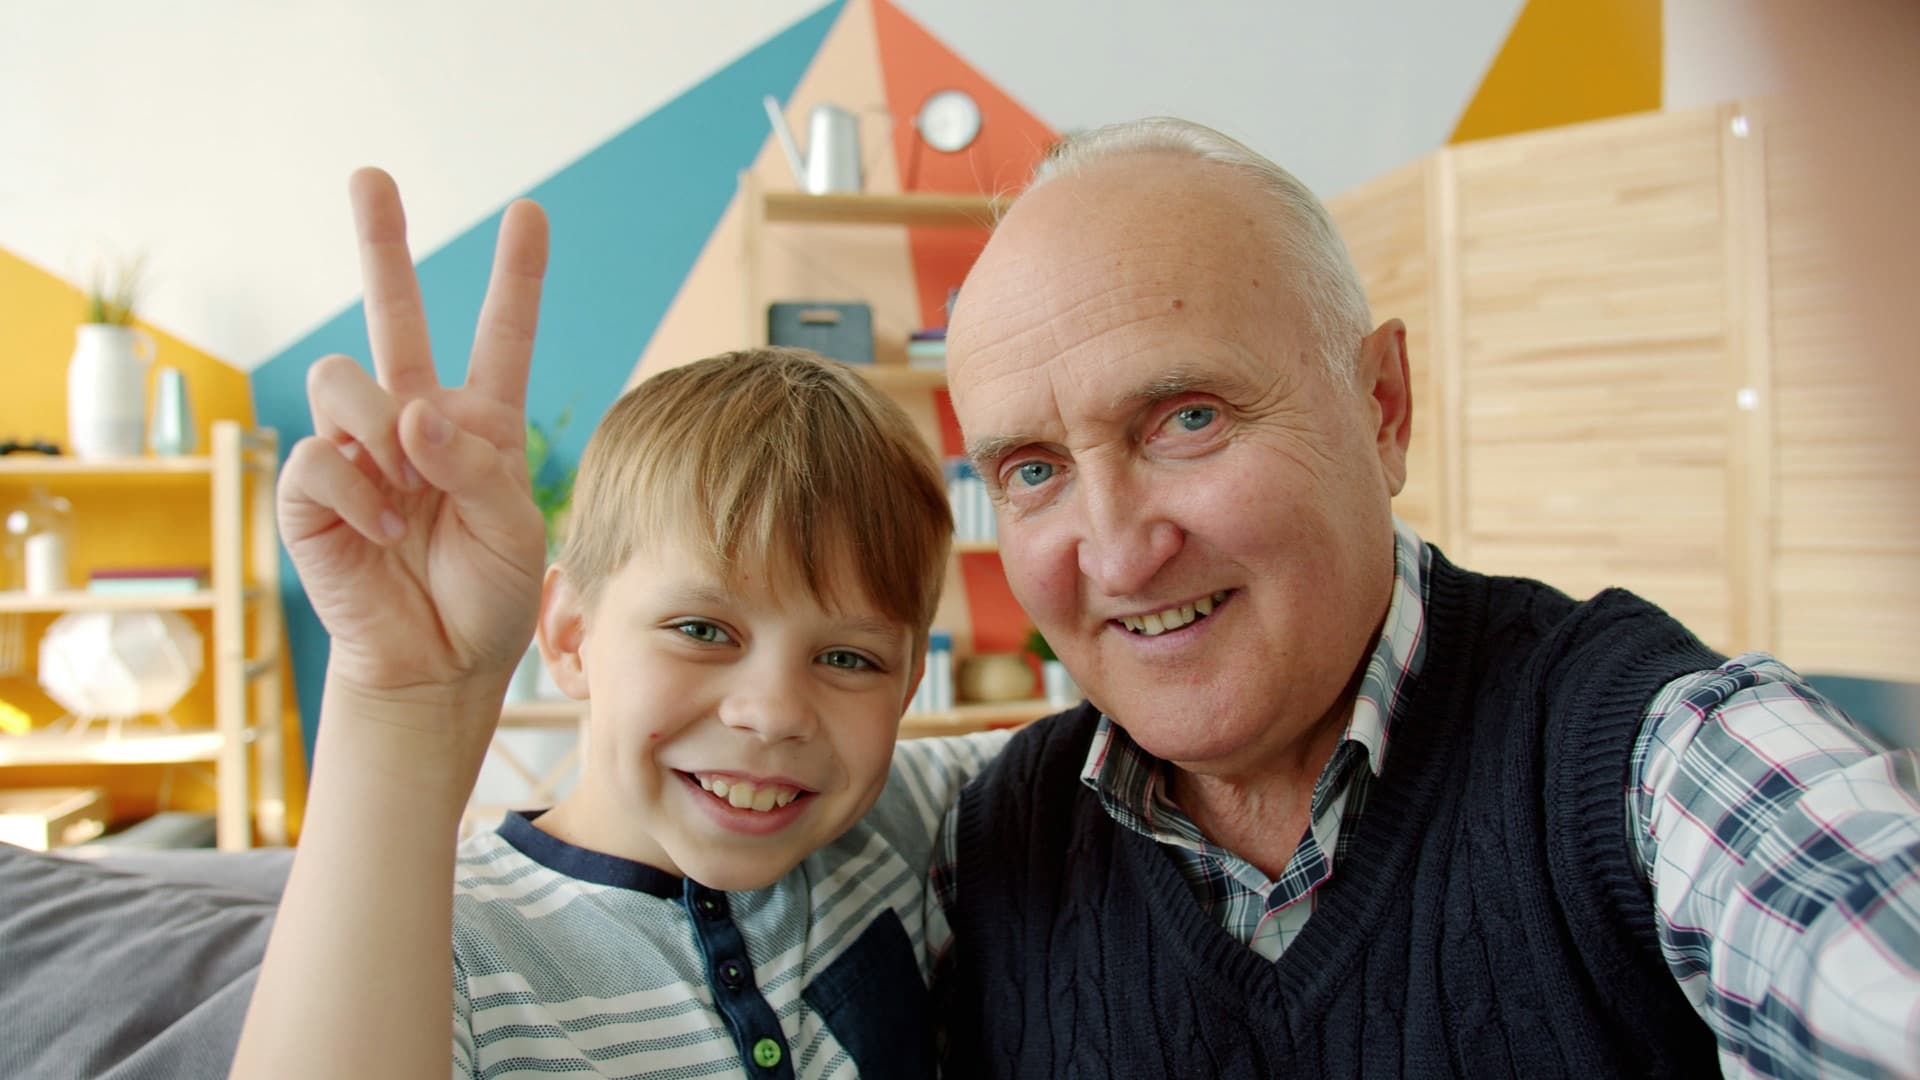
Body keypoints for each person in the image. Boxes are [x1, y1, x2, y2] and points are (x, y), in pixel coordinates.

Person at [931, 118, 1920, 1077]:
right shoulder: (980, 840)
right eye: (1031, 470)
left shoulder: (1654, 762)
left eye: (1188, 418)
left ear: (1383, 408)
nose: (1116, 556)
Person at [230, 169, 1005, 1078]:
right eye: (702, 630)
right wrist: (401, 700)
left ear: (911, 684)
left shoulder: (905, 821)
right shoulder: (443, 944)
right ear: (569, 634)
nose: (772, 712)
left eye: (848, 658)